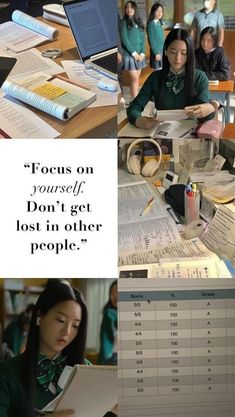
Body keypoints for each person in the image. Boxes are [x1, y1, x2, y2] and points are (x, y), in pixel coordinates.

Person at [0, 281, 117, 417]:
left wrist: (112, 407)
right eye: (60, 320)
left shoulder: (86, 370)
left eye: (75, 326)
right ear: (39, 317)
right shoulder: (7, 374)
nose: (67, 332)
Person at [127, 28, 216, 130]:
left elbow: (204, 116)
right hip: (161, 130)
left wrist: (211, 108)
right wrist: (138, 120)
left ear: (190, 54)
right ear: (165, 51)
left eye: (184, 53)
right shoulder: (155, 77)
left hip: (189, 131)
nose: (178, 58)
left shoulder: (200, 78)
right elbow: (134, 106)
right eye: (173, 52)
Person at [120, 1, 147, 99]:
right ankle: (135, 100)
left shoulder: (139, 22)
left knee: (136, 79)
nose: (129, 9)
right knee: (134, 78)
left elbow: (143, 39)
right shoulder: (123, 22)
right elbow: (124, 39)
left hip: (140, 56)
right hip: (129, 55)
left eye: (131, 7)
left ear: (135, 9)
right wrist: (134, 53)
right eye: (127, 7)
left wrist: (143, 53)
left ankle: (134, 99)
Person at [98, 281, 117, 365]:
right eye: (112, 292)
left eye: (118, 292)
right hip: (111, 357)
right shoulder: (109, 313)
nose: (115, 295)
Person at [147, 3, 164, 70]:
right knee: (157, 71)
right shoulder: (151, 24)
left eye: (161, 11)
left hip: (162, 50)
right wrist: (156, 53)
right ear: (153, 12)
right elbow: (152, 40)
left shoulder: (159, 23)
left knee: (162, 70)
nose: (160, 13)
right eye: (157, 11)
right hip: (156, 52)